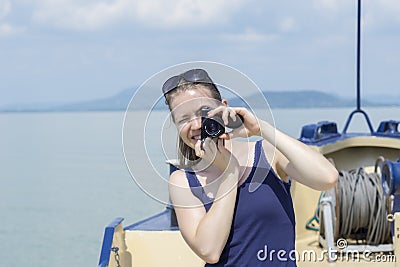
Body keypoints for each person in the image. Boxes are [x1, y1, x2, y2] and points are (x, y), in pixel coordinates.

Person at [162, 68, 338, 266]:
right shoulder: (183, 181)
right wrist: (229, 171)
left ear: (223, 108)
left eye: (202, 112)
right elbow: (209, 251)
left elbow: (327, 178)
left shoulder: (266, 154)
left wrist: (261, 129)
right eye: (184, 119)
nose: (195, 125)